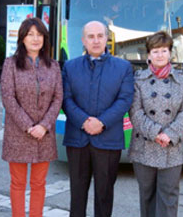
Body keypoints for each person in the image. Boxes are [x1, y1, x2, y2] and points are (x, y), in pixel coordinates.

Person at [62, 21, 134, 217]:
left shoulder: (123, 67)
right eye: (91, 36)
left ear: (107, 38)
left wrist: (101, 122)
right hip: (77, 139)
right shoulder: (70, 67)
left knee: (104, 194)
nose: (95, 40)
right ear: (83, 40)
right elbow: (66, 99)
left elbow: (125, 99)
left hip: (108, 140)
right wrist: (84, 121)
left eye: (100, 36)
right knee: (77, 194)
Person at [0, 18, 63, 217]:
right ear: (22, 38)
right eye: (30, 34)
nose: (35, 39)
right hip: (19, 133)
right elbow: (8, 98)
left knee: (39, 183)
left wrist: (44, 125)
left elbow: (58, 97)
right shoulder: (10, 64)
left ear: (45, 38)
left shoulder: (53, 65)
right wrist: (29, 126)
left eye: (39, 34)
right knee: (18, 183)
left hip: (44, 134)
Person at [129, 31, 183, 217]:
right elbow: (135, 111)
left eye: (164, 50)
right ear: (148, 55)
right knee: (147, 195)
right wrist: (156, 133)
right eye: (155, 51)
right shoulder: (138, 79)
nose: (159, 55)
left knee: (169, 197)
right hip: (144, 145)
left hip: (172, 147)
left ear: (170, 53)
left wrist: (170, 134)